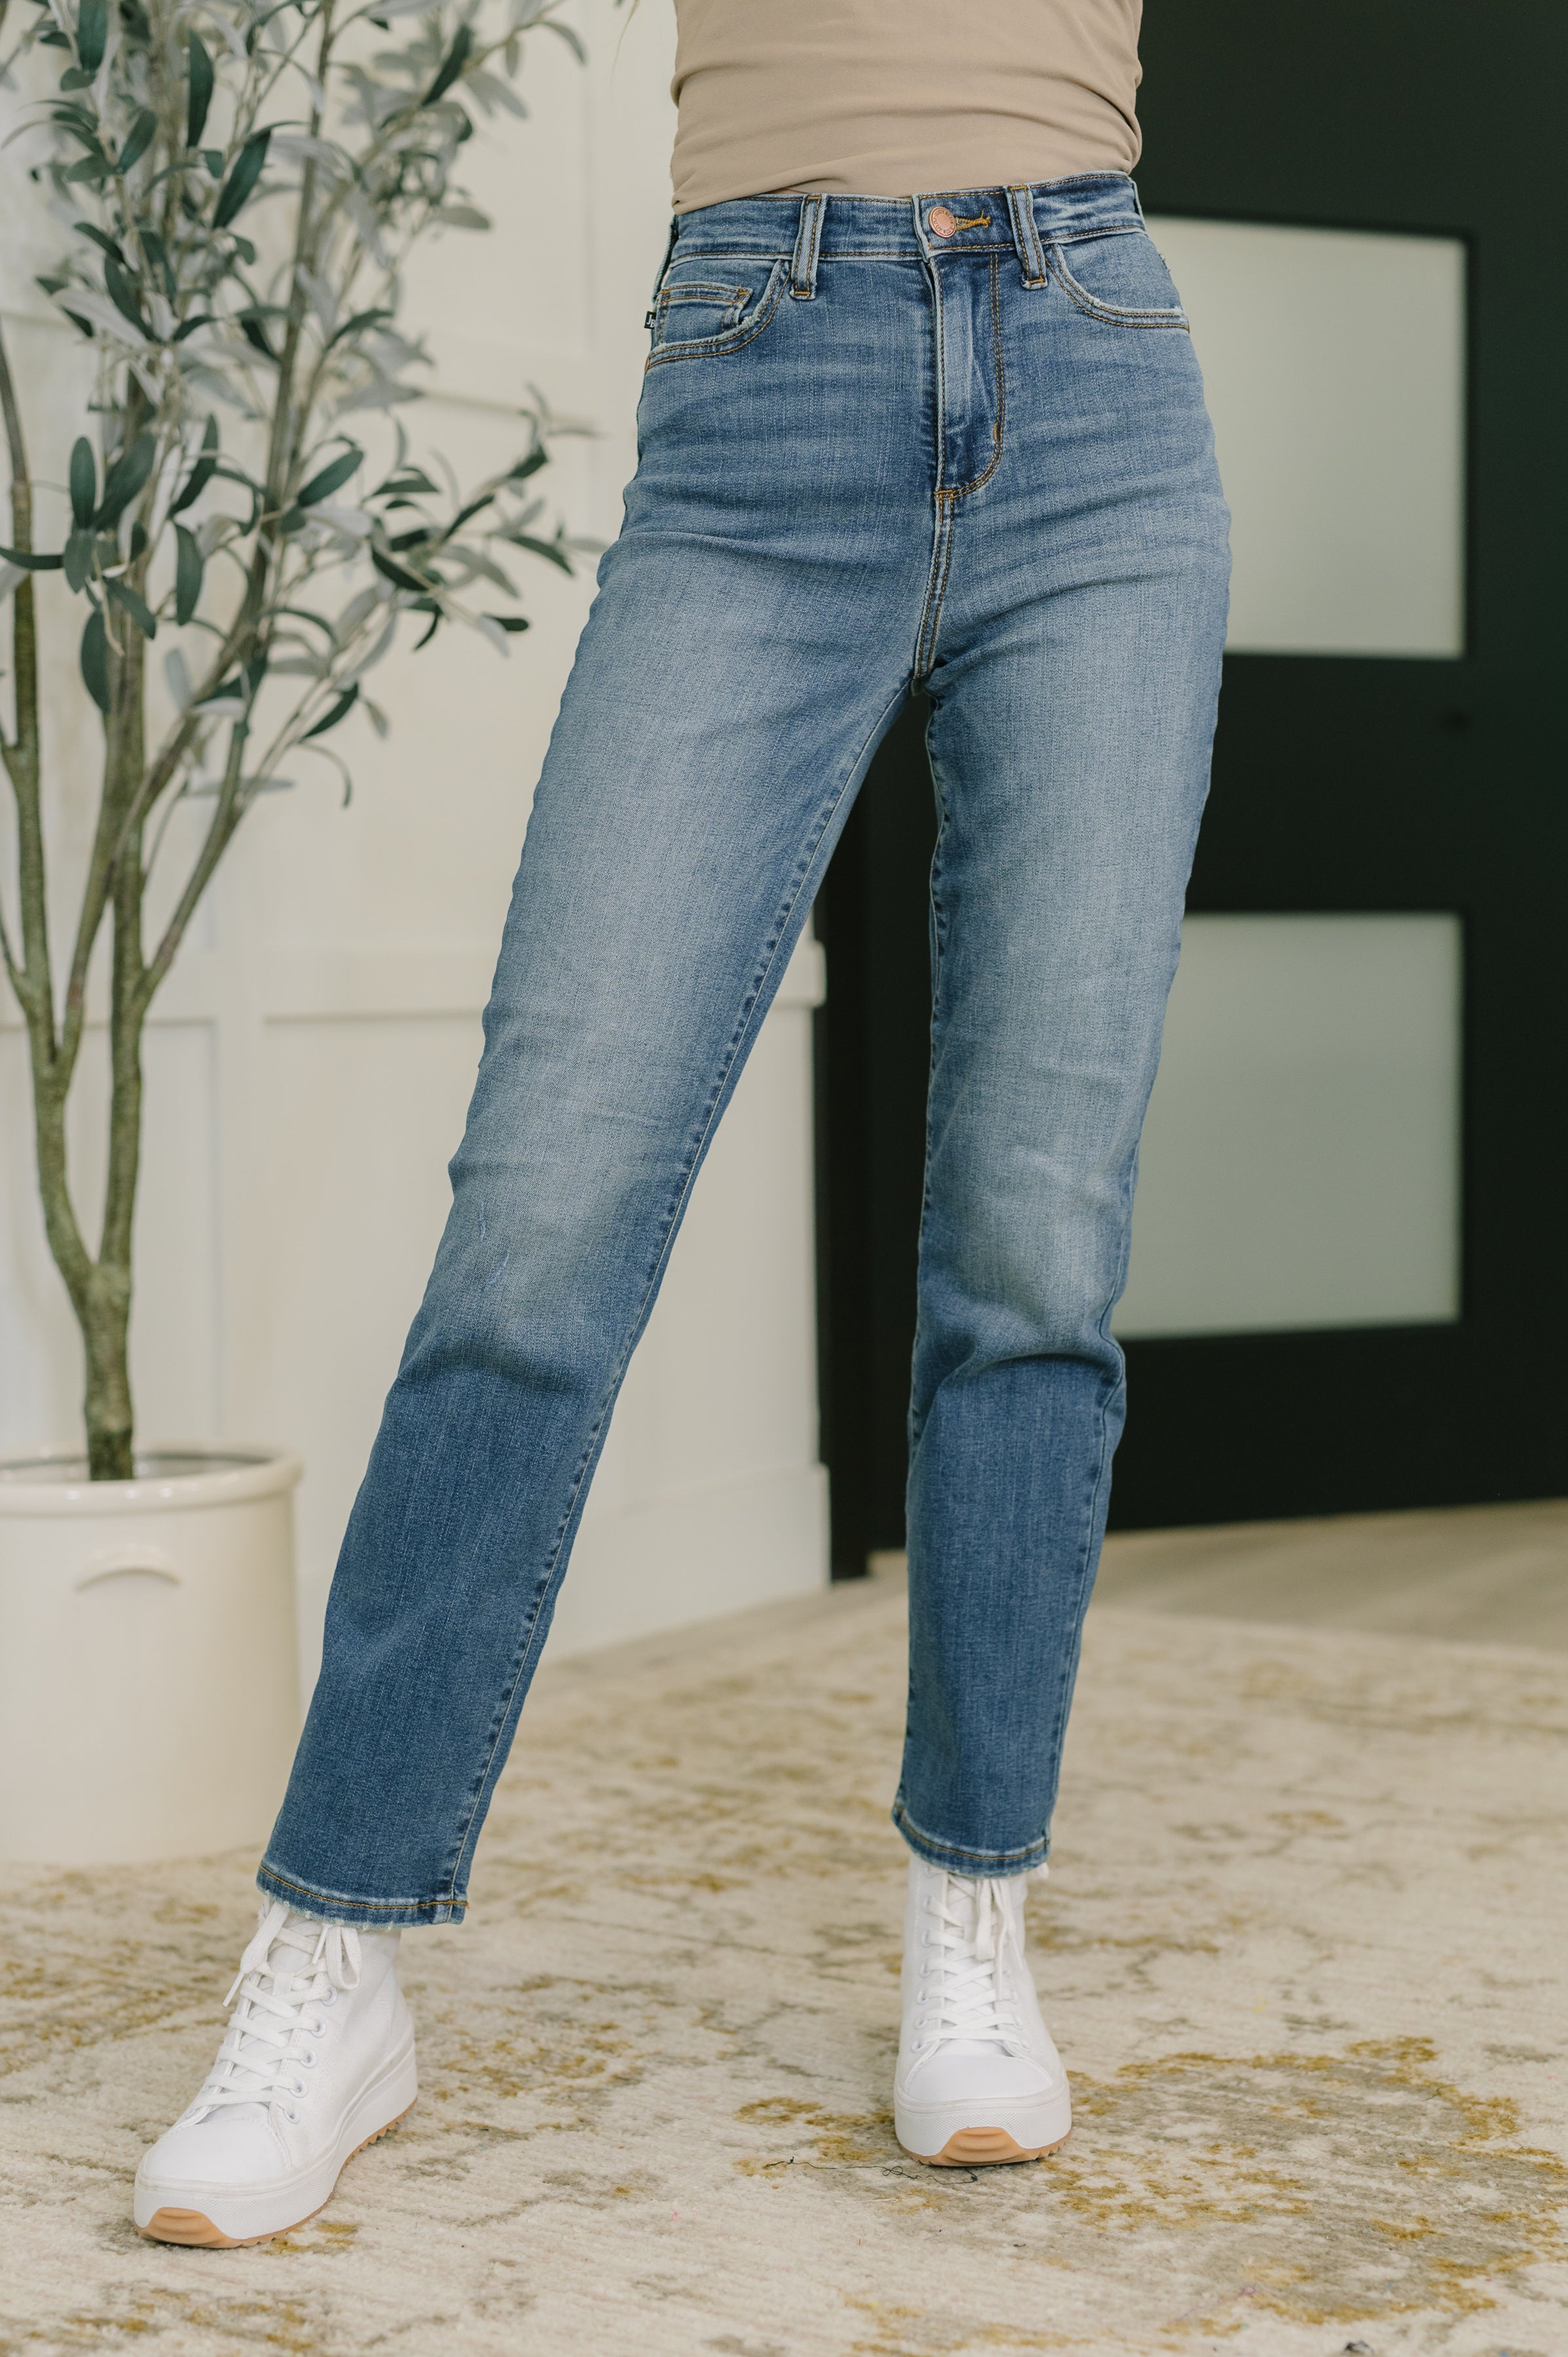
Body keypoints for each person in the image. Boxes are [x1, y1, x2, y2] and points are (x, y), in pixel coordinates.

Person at [133, 0, 1229, 2244]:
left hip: (1099, 373)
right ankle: (332, 1955)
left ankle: (971, 1914)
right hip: (759, 372)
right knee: (543, 1212)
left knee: (1034, 1236)